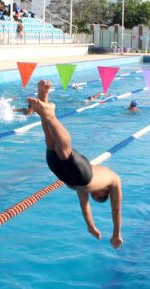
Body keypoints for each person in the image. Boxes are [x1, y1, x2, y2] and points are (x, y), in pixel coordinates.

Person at [28, 80, 123, 249]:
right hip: (84, 174)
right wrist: (116, 233)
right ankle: (50, 114)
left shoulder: (83, 191)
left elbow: (84, 206)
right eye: (101, 197)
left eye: (96, 199)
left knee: (50, 143)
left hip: (65, 175)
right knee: (65, 152)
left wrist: (91, 226)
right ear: (105, 192)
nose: (96, 197)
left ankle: (43, 98)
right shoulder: (114, 180)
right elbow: (116, 209)